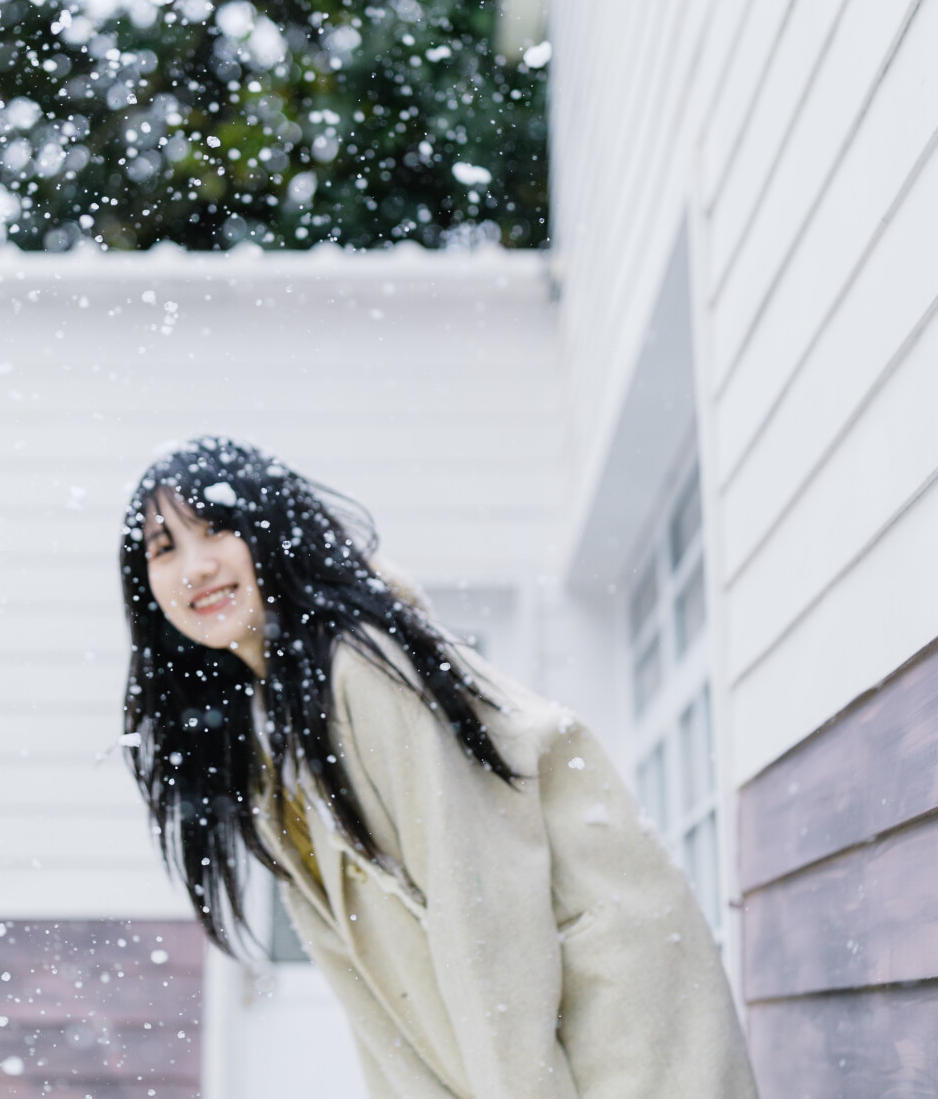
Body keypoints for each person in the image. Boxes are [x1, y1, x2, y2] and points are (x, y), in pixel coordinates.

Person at [120, 436, 758, 1098]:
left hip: (609, 1020)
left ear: (269, 529)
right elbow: (379, 995)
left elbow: (482, 908)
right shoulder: (266, 736)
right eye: (165, 548)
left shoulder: (362, 666)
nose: (195, 567)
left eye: (217, 529)